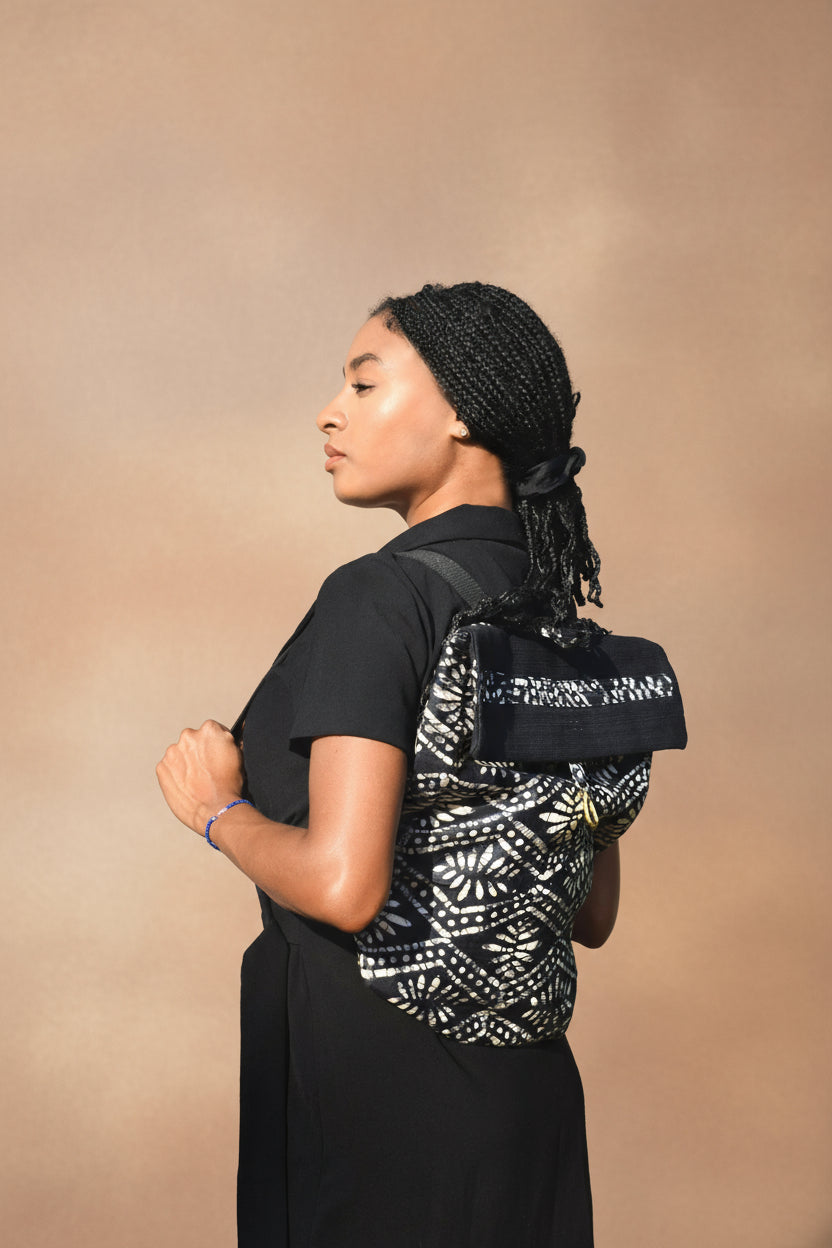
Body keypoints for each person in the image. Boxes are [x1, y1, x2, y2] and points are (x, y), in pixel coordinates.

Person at [156, 282, 645, 1247]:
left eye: (366, 384)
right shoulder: (568, 626)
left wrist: (219, 812)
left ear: (464, 408)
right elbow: (590, 914)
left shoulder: (381, 599)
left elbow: (344, 888)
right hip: (527, 1105)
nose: (330, 411)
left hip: (379, 1111)